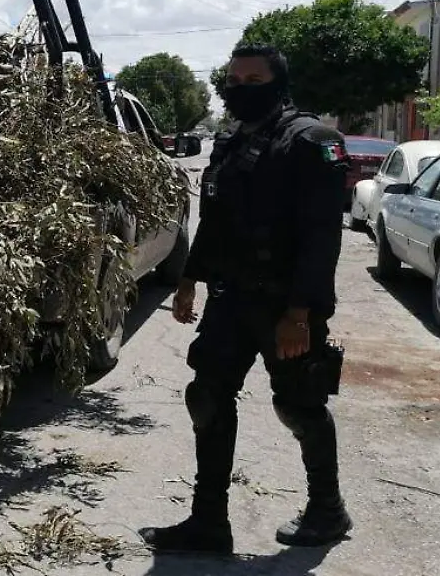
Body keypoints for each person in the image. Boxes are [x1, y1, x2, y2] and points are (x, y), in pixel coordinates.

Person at [139, 44, 352, 553]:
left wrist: (301, 314)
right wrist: (189, 279)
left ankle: (328, 509)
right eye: (233, 80)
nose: (240, 89)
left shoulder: (313, 141)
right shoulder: (231, 140)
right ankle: (208, 522)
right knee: (207, 399)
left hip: (286, 307)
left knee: (300, 406)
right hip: (229, 301)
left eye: (253, 80)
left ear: (278, 84)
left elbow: (323, 237)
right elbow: (213, 220)